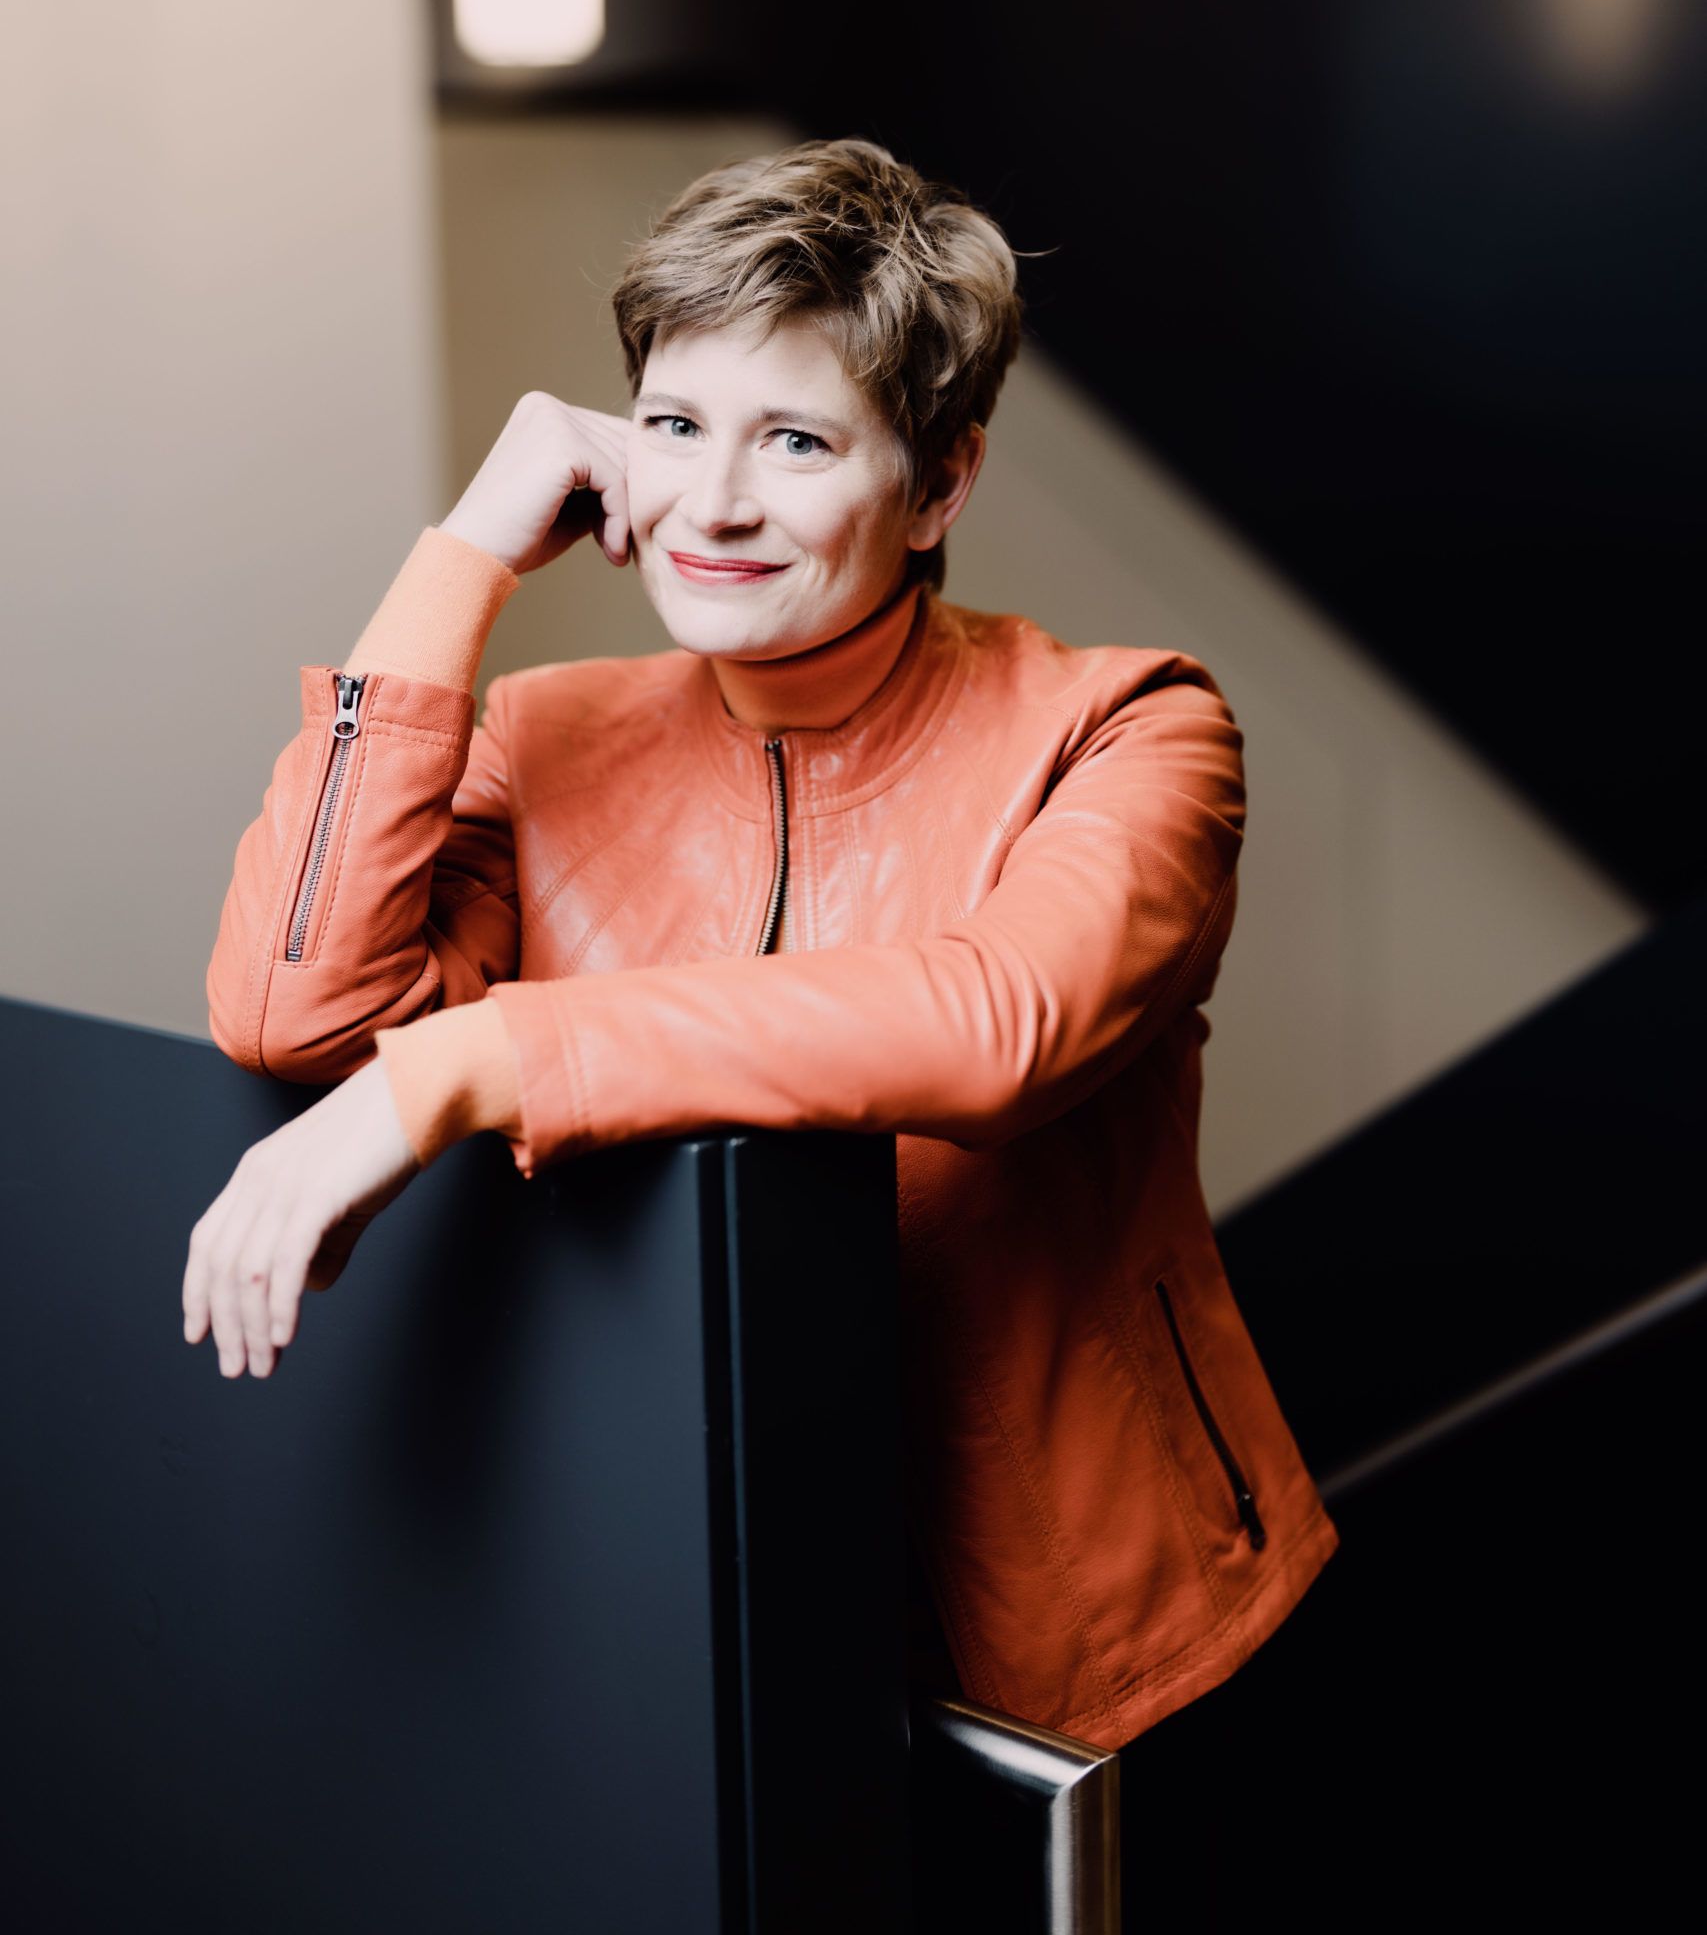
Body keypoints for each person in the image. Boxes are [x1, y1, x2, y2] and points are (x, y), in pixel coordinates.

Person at [188, 134, 1337, 1752]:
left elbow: (997, 1025)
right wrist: (458, 556)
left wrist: (472, 1061)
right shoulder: (544, 732)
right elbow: (293, 1002)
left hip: (1074, 1658)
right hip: (671, 1603)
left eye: (796, 440)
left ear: (942, 481)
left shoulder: (1131, 727)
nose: (711, 506)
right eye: (672, 427)